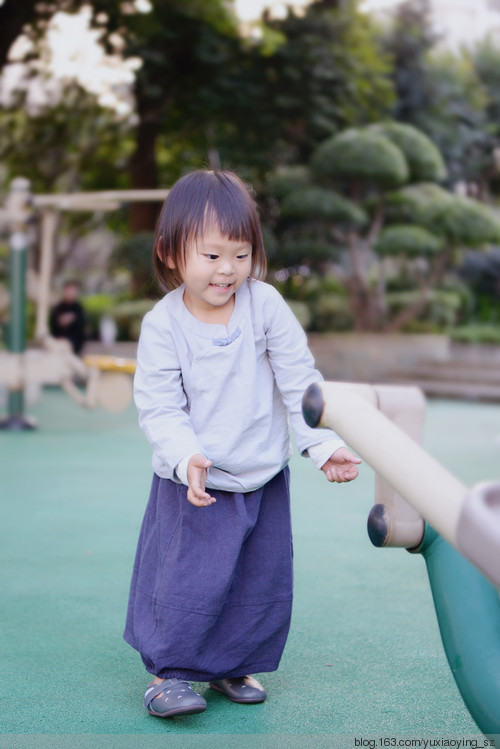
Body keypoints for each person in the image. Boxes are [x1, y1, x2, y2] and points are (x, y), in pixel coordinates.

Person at [124, 169, 361, 719]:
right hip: (196, 479)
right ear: (170, 253)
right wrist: (187, 457)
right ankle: (168, 674)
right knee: (187, 578)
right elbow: (159, 405)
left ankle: (233, 663)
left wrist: (321, 444)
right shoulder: (164, 325)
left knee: (258, 575)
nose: (227, 269)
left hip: (261, 472)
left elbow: (298, 376)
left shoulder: (265, 304)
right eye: (210, 256)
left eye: (240, 253)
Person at [49, 280, 86, 354]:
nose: (71, 293)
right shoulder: (58, 307)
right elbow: (53, 324)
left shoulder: (78, 308)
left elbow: (83, 323)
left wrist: (72, 319)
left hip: (74, 346)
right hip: (59, 344)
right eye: (69, 290)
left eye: (73, 291)